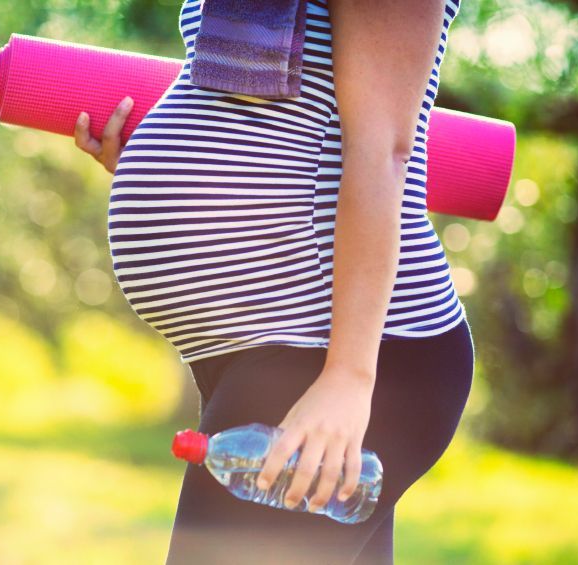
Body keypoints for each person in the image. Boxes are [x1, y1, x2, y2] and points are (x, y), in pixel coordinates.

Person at [74, 0, 473, 563]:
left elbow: (382, 150)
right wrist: (162, 161)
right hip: (271, 350)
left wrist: (348, 377)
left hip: (329, 354)